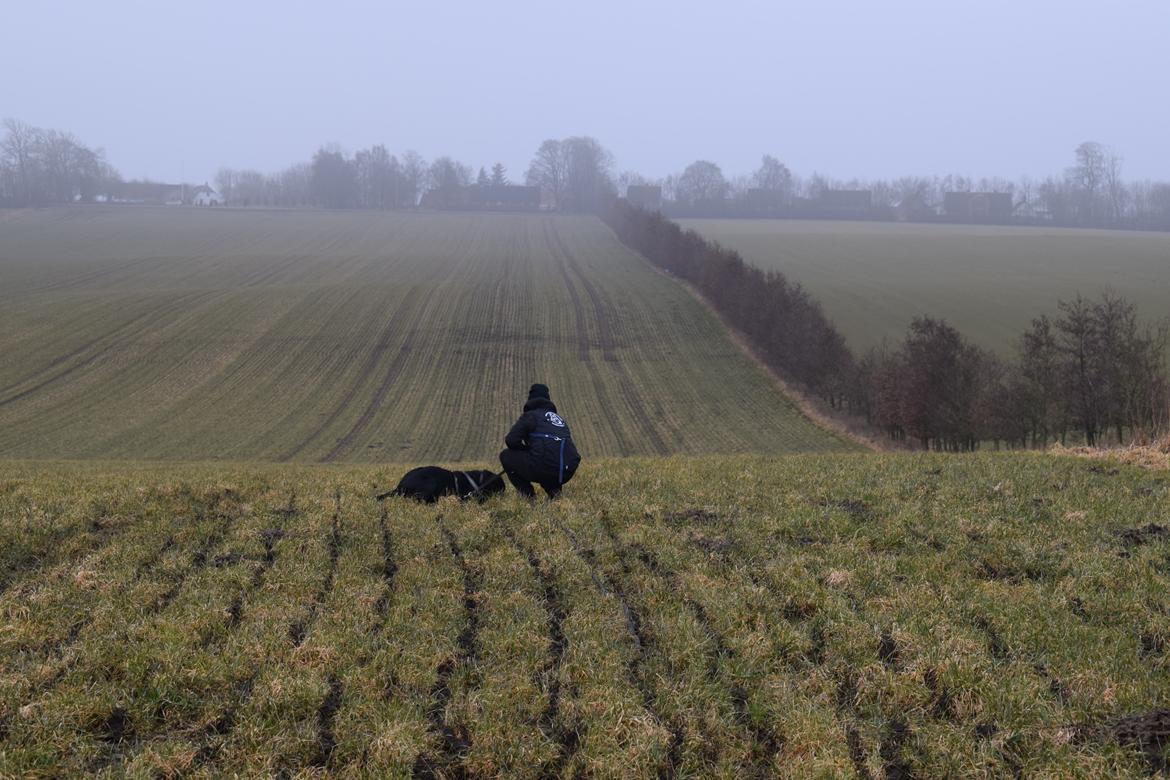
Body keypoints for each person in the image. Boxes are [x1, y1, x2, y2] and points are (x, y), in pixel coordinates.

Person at [500, 383, 581, 499]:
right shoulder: (559, 420)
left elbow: (511, 440)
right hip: (566, 470)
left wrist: (527, 450)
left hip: (544, 465)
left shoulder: (530, 416)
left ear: (530, 399)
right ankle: (555, 494)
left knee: (506, 456)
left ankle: (528, 496)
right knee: (549, 458)